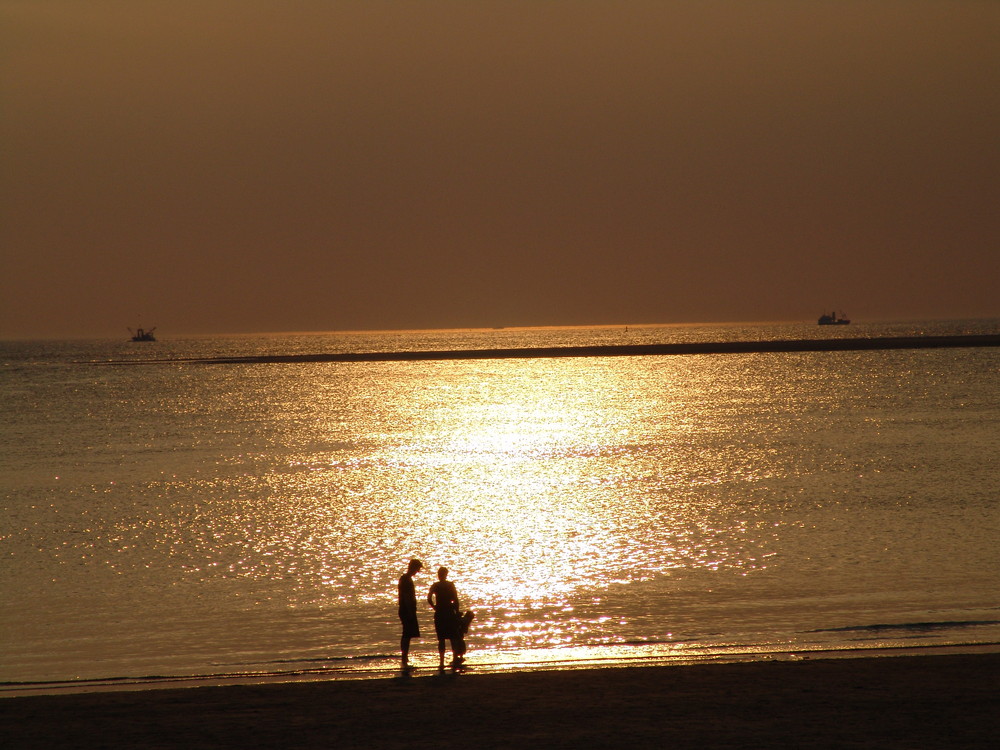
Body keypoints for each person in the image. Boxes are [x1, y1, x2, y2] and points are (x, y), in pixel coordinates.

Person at [427, 566, 463, 669]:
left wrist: (434, 607)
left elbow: (429, 598)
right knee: (453, 637)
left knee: (441, 638)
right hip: (449, 612)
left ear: (439, 575)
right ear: (446, 574)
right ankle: (455, 658)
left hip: (440, 612)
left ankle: (442, 662)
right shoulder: (450, 585)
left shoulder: (435, 586)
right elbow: (456, 600)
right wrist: (456, 612)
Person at [397, 558, 423, 668]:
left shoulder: (405, 579)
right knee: (407, 634)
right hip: (406, 610)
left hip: (406, 609)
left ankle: (405, 656)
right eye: (417, 569)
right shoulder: (406, 580)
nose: (417, 571)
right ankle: (404, 657)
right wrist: (410, 611)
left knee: (407, 634)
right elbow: (407, 597)